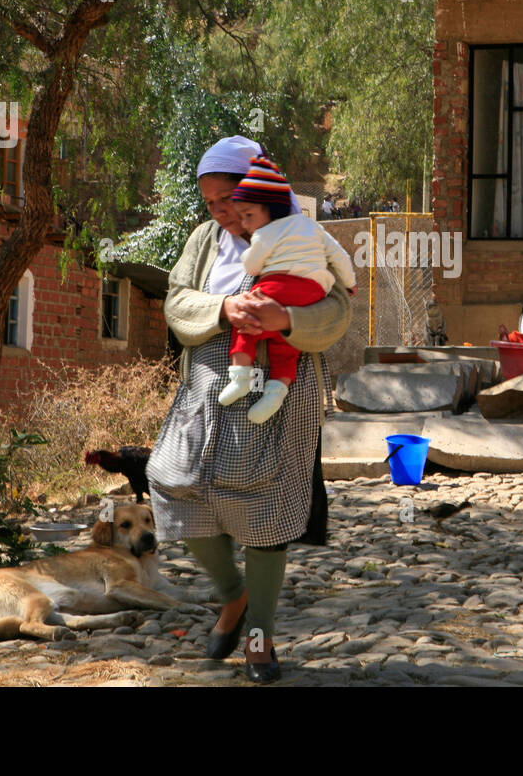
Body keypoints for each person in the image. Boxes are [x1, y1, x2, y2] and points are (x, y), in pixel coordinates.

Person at [146, 135, 351, 684]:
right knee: (173, 480)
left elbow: (339, 305)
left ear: (254, 187)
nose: (219, 211)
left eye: (227, 198)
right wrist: (223, 306)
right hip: (211, 383)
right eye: (209, 202)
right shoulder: (205, 240)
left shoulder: (298, 231)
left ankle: (258, 637)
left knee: (263, 511)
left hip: (279, 390)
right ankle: (231, 597)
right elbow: (176, 299)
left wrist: (286, 320)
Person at [218, 155, 356, 423]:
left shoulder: (266, 233)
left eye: (248, 215)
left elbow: (251, 267)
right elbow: (340, 256)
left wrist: (249, 253)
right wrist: (350, 284)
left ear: (270, 210)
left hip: (280, 285)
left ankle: (240, 376)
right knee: (285, 346)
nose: (245, 223)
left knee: (247, 318)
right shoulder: (312, 226)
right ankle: (276, 393)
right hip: (314, 292)